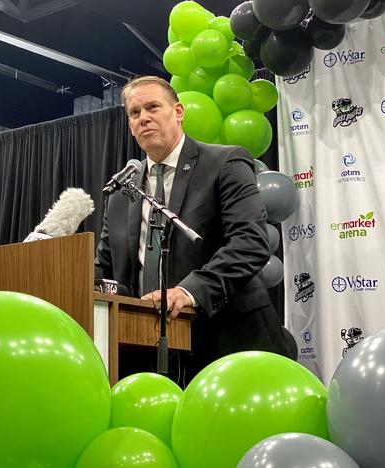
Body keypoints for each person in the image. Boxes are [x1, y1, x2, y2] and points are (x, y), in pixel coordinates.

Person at [94, 76, 296, 380]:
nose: (144, 117)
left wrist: (190, 291)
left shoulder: (224, 162)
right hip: (143, 349)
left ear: (178, 112)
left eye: (152, 107)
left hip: (227, 341)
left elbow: (250, 242)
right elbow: (105, 269)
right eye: (135, 113)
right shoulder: (123, 192)